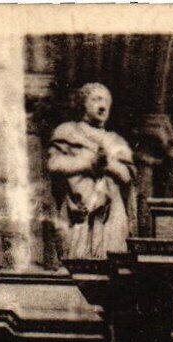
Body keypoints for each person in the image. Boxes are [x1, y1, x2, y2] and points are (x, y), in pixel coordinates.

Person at [47, 83, 135, 260]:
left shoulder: (115, 140)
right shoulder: (68, 131)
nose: (102, 106)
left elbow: (128, 176)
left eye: (106, 101)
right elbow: (54, 164)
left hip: (111, 209)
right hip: (79, 206)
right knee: (76, 255)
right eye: (96, 99)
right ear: (83, 103)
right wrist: (88, 163)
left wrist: (109, 165)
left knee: (112, 254)